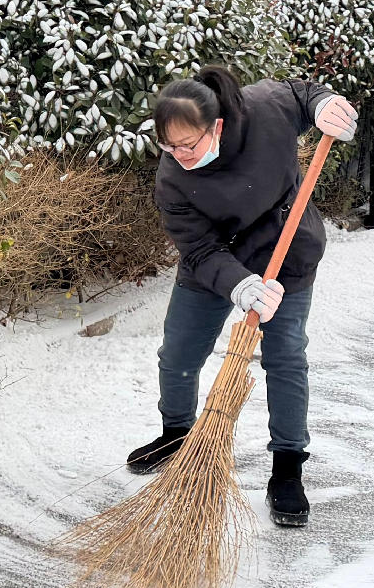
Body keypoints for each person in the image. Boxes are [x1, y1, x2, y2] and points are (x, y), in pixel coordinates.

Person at [125, 66, 358, 527]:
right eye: (169, 147)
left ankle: (287, 466)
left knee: (286, 356)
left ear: (216, 126)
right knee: (178, 352)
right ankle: (175, 434)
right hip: (217, 262)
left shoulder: (265, 108)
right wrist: (239, 284)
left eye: (188, 144)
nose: (180, 155)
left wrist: (324, 104)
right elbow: (198, 247)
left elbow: (301, 91)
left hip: (286, 249)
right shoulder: (172, 179)